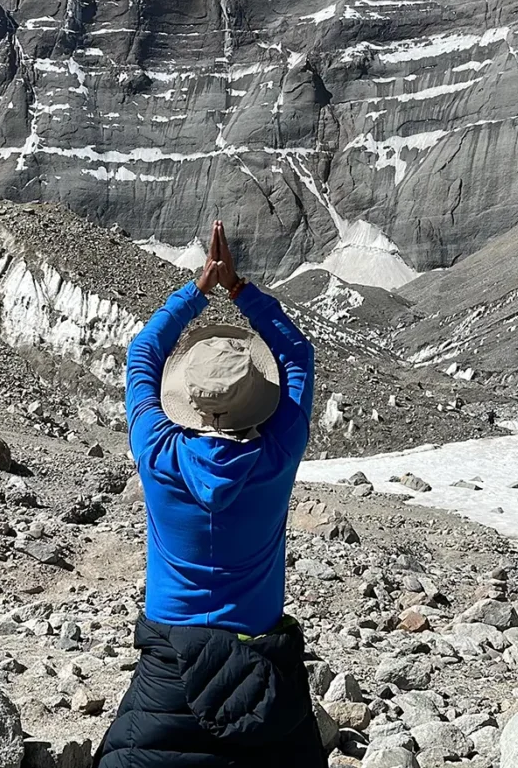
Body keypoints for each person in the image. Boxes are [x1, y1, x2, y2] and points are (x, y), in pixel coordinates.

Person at [95, 220, 327, 768]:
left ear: (189, 400)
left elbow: (143, 353)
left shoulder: (157, 448)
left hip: (169, 662)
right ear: (256, 400)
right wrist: (241, 291)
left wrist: (196, 290)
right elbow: (297, 354)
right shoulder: (277, 451)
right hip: (263, 660)